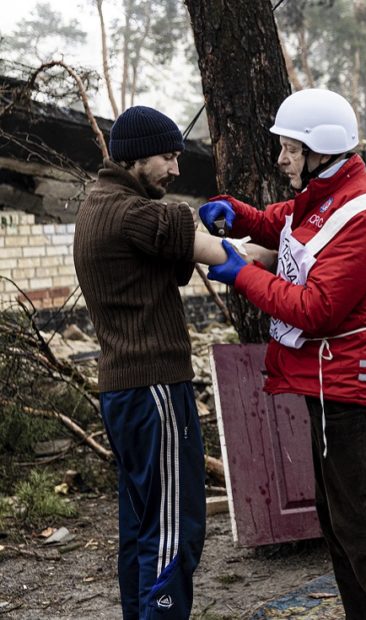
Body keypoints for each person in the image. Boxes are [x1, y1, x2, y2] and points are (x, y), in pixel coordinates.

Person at [200, 88, 366, 619]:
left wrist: (244, 273)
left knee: (361, 519)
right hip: (332, 381)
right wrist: (244, 216)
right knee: (338, 516)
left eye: (291, 149)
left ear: (322, 149)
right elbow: (288, 221)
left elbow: (316, 309)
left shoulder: (362, 216)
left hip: (352, 386)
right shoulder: (328, 195)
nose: (281, 159)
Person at [74, 105, 212, 619]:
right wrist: (262, 254)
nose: (176, 168)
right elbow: (206, 250)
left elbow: (170, 250)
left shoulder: (101, 202)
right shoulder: (130, 211)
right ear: (134, 157)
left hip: (125, 390)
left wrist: (182, 220)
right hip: (154, 386)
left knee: (141, 528)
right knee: (176, 529)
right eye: (167, 156)